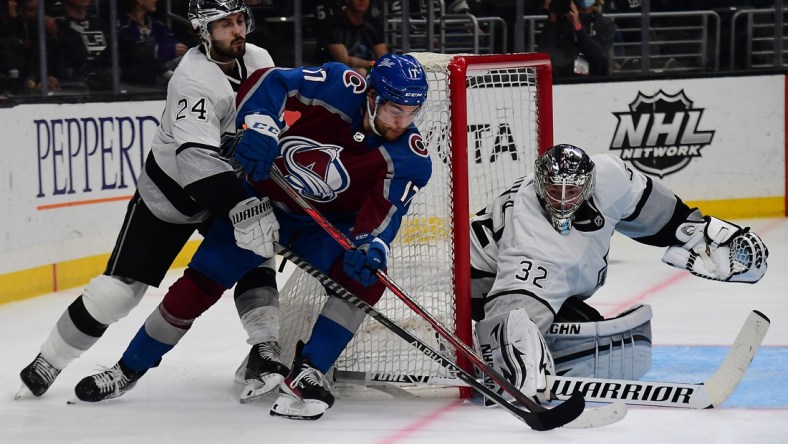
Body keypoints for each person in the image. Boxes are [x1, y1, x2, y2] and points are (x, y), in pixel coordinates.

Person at [69, 53, 430, 421]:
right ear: (372, 96)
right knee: (198, 284)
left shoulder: (410, 158)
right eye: (394, 111)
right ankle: (127, 369)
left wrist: (371, 244)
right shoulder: (339, 85)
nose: (401, 123)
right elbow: (270, 80)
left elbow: (386, 213)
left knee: (364, 282)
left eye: (411, 113)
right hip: (263, 205)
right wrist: (261, 126)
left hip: (322, 225)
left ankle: (308, 371)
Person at [16, 0, 280, 401]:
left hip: (224, 182)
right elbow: (195, 163)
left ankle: (266, 348)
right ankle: (50, 359)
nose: (237, 30)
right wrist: (242, 209)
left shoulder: (260, 60)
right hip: (172, 193)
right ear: (202, 31)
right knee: (117, 292)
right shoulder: (193, 80)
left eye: (240, 21)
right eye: (225, 24)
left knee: (254, 253)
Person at [470, 144, 769, 404]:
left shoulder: (609, 176)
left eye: (571, 191)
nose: (561, 200)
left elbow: (650, 209)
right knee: (591, 348)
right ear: (540, 185)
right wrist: (514, 362)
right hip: (473, 282)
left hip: (507, 271)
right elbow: (512, 305)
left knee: (602, 338)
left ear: (588, 185)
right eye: (553, 191)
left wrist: (694, 232)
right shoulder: (534, 237)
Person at [117, 0, 189, 87]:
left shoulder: (157, 24)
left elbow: (175, 45)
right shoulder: (122, 27)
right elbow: (135, 53)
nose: (156, 0)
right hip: (146, 75)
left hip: (165, 68)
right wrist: (164, 50)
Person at [537, 0, 616, 78]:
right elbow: (546, 49)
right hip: (563, 78)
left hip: (594, 79)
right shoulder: (561, 22)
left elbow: (599, 54)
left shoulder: (605, 23)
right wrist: (552, 16)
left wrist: (578, 27)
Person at [315, 0, 388, 76]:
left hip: (366, 70)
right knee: (361, 73)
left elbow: (383, 56)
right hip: (332, 73)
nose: (362, 0)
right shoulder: (333, 23)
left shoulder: (374, 24)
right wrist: (372, 64)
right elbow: (344, 60)